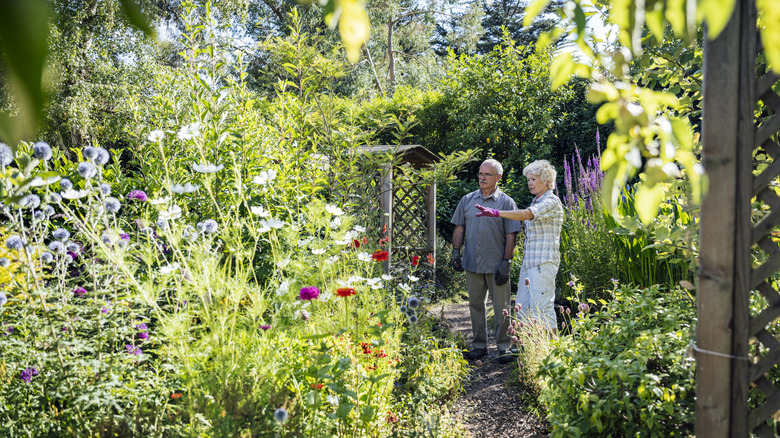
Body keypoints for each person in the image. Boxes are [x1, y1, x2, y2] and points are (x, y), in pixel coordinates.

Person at [475, 159, 564, 333]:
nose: (529, 183)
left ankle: (552, 353)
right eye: (528, 179)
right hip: (529, 264)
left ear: (546, 180)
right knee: (522, 311)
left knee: (543, 309)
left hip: (543, 263)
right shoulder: (536, 202)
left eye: (533, 179)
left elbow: (527, 215)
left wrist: (496, 212)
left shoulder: (551, 201)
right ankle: (533, 352)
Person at [451, 159, 523, 363]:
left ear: (498, 178)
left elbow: (512, 234)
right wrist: (456, 252)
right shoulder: (467, 200)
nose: (482, 178)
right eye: (480, 174)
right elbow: (459, 228)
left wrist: (506, 262)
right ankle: (479, 346)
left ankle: (504, 347)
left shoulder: (507, 203)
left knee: (502, 306)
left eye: (487, 174)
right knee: (475, 304)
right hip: (472, 262)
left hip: (496, 264)